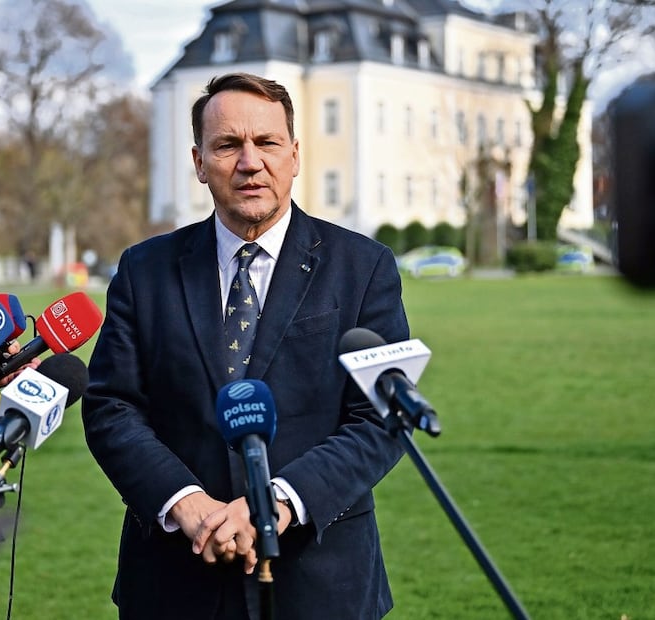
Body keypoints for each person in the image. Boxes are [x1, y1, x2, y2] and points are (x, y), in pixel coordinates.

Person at [81, 72, 409, 619]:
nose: (250, 161)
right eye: (228, 144)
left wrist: (278, 501)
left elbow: (380, 418)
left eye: (267, 142)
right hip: (175, 580)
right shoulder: (144, 270)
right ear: (199, 161)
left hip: (320, 584)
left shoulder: (364, 268)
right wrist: (186, 505)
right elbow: (112, 407)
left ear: (295, 155)